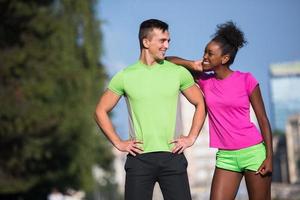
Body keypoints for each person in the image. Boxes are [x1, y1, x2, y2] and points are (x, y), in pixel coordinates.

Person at [94, 19, 206, 200]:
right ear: (146, 42)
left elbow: (200, 103)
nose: (167, 45)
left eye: (168, 40)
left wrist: (191, 137)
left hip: (173, 156)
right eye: (162, 40)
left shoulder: (178, 73)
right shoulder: (125, 76)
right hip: (139, 160)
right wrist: (118, 142)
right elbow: (100, 111)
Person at [166, 21, 273, 200]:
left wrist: (269, 156)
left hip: (254, 153)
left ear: (224, 59)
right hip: (226, 156)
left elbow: (262, 119)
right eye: (204, 52)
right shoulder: (205, 80)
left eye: (210, 54)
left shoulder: (247, 80)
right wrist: (193, 64)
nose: (204, 57)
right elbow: (169, 62)